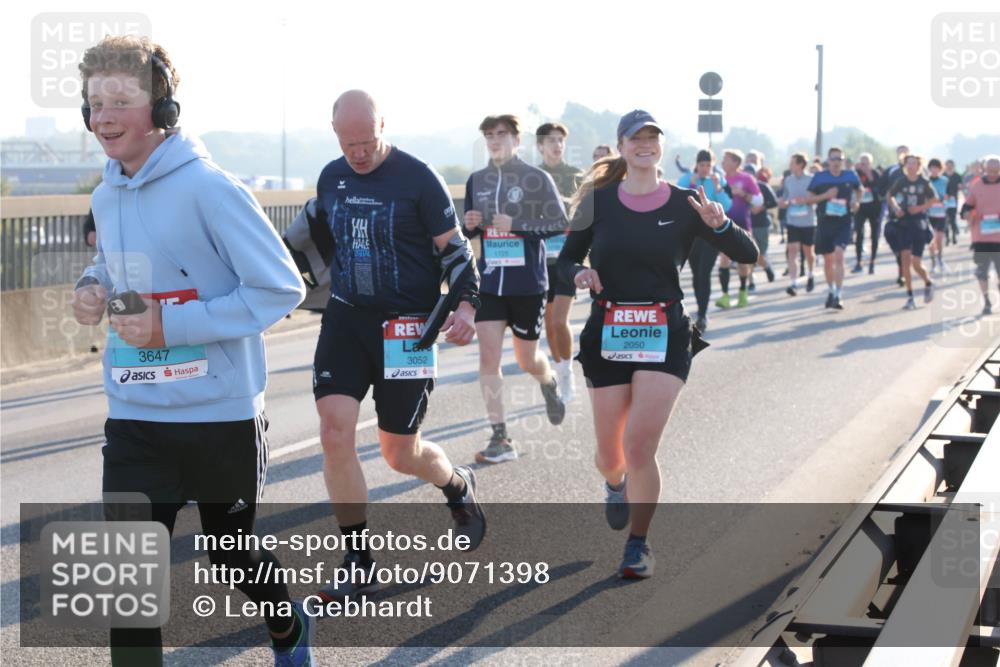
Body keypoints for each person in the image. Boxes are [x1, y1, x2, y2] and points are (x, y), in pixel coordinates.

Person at [71, 36, 313, 666]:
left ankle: (288, 627)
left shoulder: (209, 188)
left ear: (164, 109)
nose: (103, 116)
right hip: (135, 417)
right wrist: (92, 286)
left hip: (217, 416)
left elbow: (279, 287)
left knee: (232, 554)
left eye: (120, 100)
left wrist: (169, 326)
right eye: (95, 102)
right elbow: (114, 264)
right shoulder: (106, 194)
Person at [558, 110, 757, 579]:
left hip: (664, 332)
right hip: (607, 332)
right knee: (611, 456)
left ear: (661, 147)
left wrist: (722, 224)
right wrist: (579, 272)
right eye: (636, 138)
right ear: (622, 146)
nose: (645, 145)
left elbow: (746, 254)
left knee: (640, 445)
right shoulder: (598, 202)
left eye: (653, 138)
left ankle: (638, 544)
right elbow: (563, 260)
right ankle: (615, 483)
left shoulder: (688, 202)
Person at [310, 90, 485, 605]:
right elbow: (322, 240)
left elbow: (455, 251)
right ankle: (358, 560)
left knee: (399, 452)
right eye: (348, 144)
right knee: (333, 431)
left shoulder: (417, 178)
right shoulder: (330, 176)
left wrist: (467, 307)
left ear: (383, 126)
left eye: (366, 142)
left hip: (407, 327)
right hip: (346, 319)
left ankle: (456, 484)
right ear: (335, 133)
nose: (358, 153)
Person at [463, 114, 568, 464]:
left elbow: (560, 223)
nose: (495, 141)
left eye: (502, 135)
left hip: (527, 285)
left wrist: (519, 226)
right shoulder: (476, 180)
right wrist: (471, 226)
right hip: (490, 282)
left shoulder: (535, 179)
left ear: (516, 140)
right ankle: (500, 436)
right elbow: (469, 232)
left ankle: (548, 380)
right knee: (488, 358)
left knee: (526, 359)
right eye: (489, 135)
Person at [537, 121, 583, 402]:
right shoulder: (532, 176)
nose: (557, 145)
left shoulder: (576, 175)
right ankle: (559, 369)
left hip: (567, 256)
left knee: (559, 320)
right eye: (551, 140)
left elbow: (585, 212)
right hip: (540, 259)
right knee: (548, 323)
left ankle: (567, 376)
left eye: (560, 141)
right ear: (540, 146)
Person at [678, 149, 732, 332]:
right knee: (695, 274)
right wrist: (689, 184)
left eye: (708, 165)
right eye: (702, 165)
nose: (705, 168)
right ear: (697, 164)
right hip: (693, 236)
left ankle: (702, 313)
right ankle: (701, 309)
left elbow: (727, 206)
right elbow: (677, 202)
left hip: (711, 235)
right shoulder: (687, 179)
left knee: (704, 273)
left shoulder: (717, 180)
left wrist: (718, 189)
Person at [806, 146, 862, 310]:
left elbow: (860, 190)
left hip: (843, 222)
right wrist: (826, 196)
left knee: (839, 255)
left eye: (839, 159)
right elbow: (809, 199)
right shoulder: (819, 177)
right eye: (833, 159)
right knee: (828, 260)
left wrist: (856, 201)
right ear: (828, 161)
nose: (836, 162)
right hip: (825, 222)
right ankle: (830, 290)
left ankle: (838, 294)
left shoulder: (850, 175)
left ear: (843, 161)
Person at [887, 154, 939, 310]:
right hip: (903, 224)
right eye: (908, 163)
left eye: (913, 163)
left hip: (919, 224)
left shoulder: (924, 182)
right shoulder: (900, 181)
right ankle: (910, 297)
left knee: (916, 264)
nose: (910, 166)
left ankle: (928, 282)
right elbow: (890, 196)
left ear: (918, 166)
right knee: (905, 262)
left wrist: (919, 208)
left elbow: (934, 199)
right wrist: (896, 208)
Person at [715, 149, 762, 309]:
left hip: (742, 225)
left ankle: (743, 290)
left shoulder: (746, 178)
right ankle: (725, 295)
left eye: (725, 159)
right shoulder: (720, 179)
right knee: (724, 259)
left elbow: (758, 200)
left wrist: (742, 193)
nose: (722, 162)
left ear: (735, 162)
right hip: (723, 225)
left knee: (743, 262)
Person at [961, 155, 1000, 314]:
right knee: (982, 272)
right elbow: (966, 207)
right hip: (981, 238)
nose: (992, 174)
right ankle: (987, 302)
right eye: (989, 170)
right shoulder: (977, 186)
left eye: (995, 171)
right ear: (984, 169)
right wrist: (968, 214)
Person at [779, 153, 817, 296]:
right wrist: (783, 203)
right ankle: (793, 283)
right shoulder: (788, 180)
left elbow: (815, 198)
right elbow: (785, 197)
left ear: (801, 164)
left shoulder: (812, 180)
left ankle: (811, 275)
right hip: (792, 220)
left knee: (808, 252)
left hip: (808, 221)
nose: (790, 165)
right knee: (793, 250)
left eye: (793, 162)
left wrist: (806, 200)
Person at [852, 153, 882, 275]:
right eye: (862, 162)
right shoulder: (856, 174)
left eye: (866, 162)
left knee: (874, 235)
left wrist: (868, 173)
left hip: (874, 207)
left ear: (870, 163)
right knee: (859, 232)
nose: (864, 165)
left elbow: (879, 187)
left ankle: (872, 262)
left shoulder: (875, 173)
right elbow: (852, 186)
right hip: (861, 207)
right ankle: (859, 262)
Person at [749, 166, 778, 288]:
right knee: (748, 253)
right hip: (746, 225)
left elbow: (774, 202)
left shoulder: (762, 186)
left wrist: (761, 207)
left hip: (761, 224)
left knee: (759, 254)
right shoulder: (739, 188)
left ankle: (766, 267)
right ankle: (751, 282)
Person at [927, 158, 950, 273]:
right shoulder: (926, 181)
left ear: (940, 169)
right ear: (929, 169)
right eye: (932, 167)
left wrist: (943, 199)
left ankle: (940, 260)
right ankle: (933, 263)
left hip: (941, 213)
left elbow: (948, 196)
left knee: (939, 239)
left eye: (937, 168)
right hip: (929, 214)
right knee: (931, 240)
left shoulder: (945, 181)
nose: (934, 170)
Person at [944, 159, 963, 245]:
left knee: (952, 219)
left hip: (954, 199)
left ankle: (954, 236)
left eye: (951, 165)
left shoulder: (957, 176)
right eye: (948, 165)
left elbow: (960, 186)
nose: (949, 167)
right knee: (945, 219)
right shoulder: (942, 176)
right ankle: (947, 237)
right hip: (944, 200)